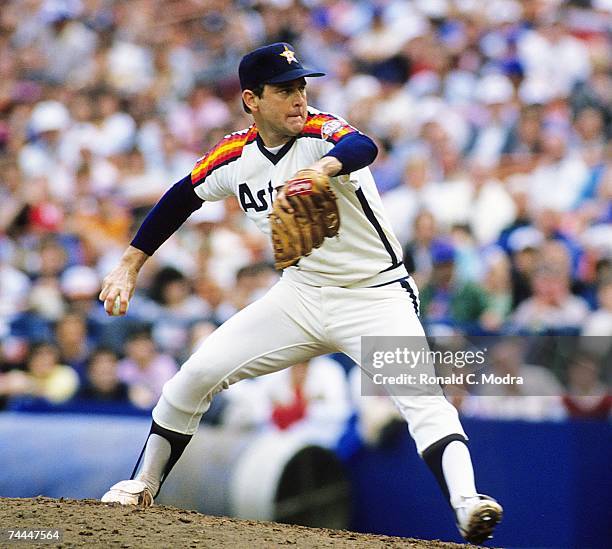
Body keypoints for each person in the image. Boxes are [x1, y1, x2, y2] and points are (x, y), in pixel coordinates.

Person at [99, 43, 502, 544]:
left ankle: (467, 504)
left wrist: (324, 170)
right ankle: (141, 486)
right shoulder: (236, 157)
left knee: (424, 402)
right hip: (300, 297)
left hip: (375, 296)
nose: (299, 98)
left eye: (301, 87)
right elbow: (181, 196)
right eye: (284, 90)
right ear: (252, 99)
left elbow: (363, 146)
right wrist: (129, 264)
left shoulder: (321, 133)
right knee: (194, 375)